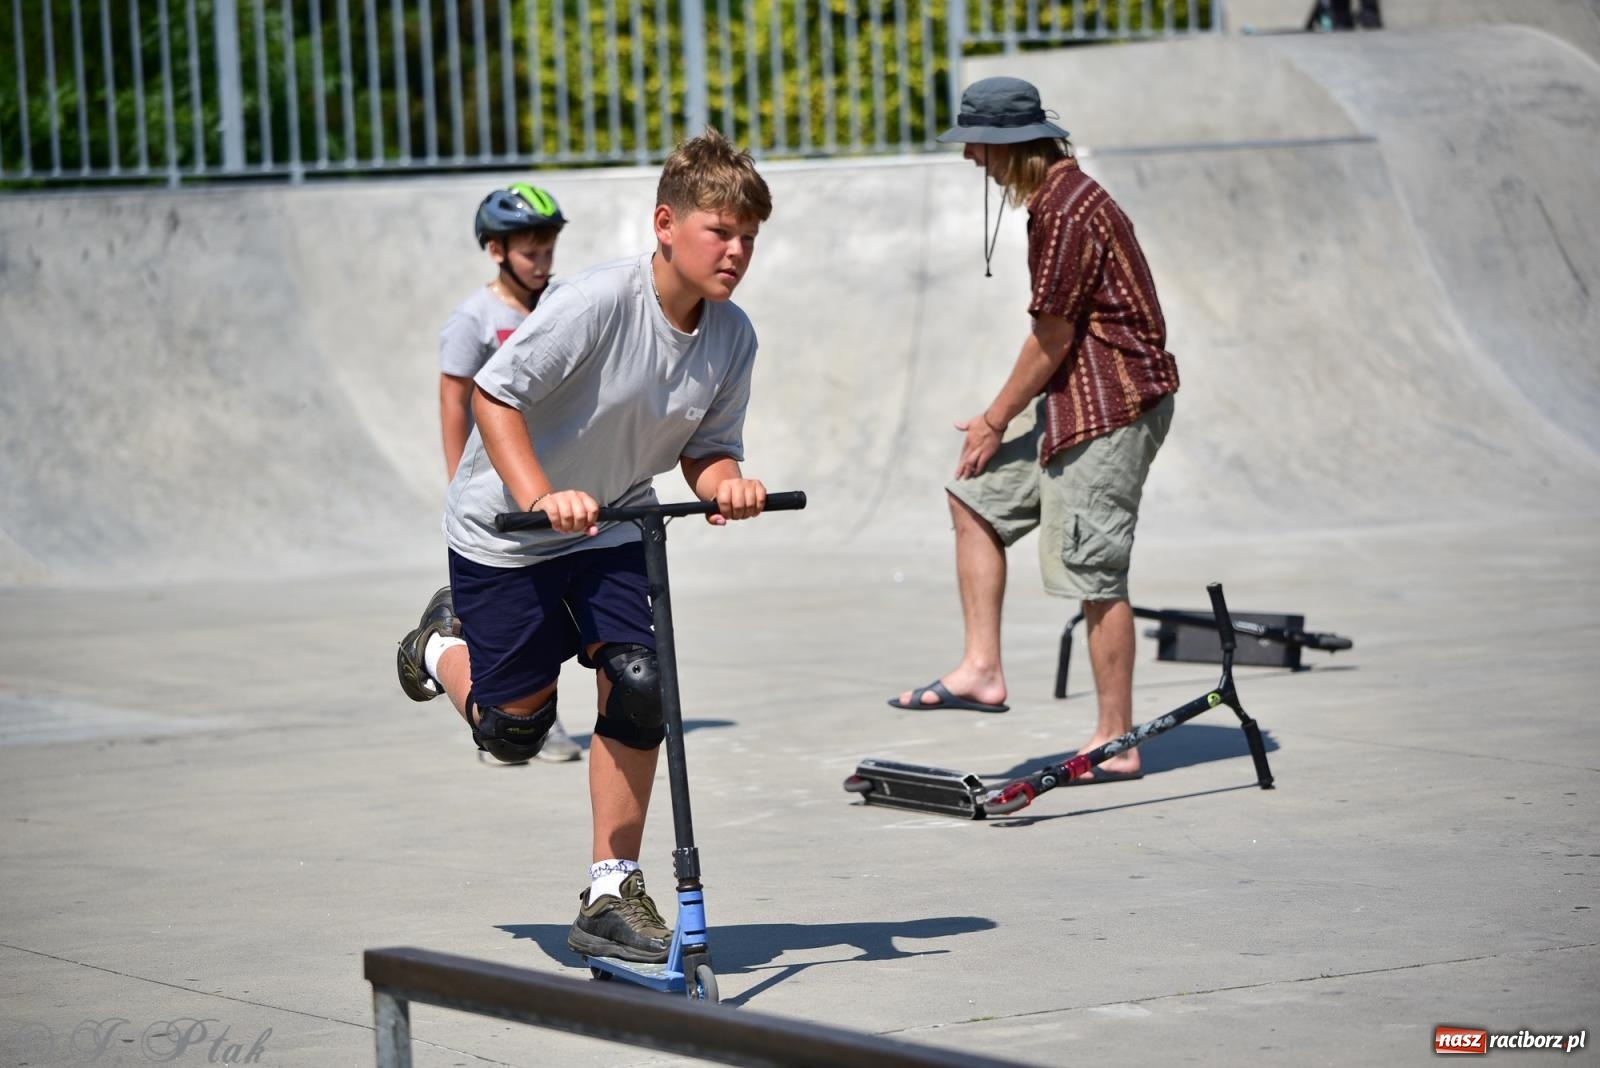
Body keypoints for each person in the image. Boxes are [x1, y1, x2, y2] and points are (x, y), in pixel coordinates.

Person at [396, 129, 773, 962]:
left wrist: (727, 485)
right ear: (666, 224)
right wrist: (539, 495)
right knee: (512, 733)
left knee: (640, 687)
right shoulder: (597, 302)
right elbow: (495, 396)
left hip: (612, 522)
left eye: (750, 235)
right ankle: (437, 646)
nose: (737, 250)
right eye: (721, 230)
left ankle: (611, 890)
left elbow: (705, 449)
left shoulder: (732, 335)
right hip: (508, 530)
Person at [889, 77, 1179, 786]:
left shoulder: (1067, 211)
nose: (970, 160)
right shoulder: (1059, 200)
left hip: (1114, 407)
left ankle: (1117, 738)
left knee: (1094, 571)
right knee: (975, 498)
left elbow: (1051, 335)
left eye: (977, 145)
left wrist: (994, 419)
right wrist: (1006, 419)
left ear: (1011, 144)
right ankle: (982, 668)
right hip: (1074, 400)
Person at [423, 181, 582, 763]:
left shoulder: (562, 305)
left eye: (548, 250)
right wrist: (453, 483)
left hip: (548, 473)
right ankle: (509, 710)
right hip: (492, 488)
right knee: (517, 611)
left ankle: (537, 712)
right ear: (496, 250)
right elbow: (453, 401)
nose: (541, 263)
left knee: (556, 599)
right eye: (529, 251)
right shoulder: (476, 319)